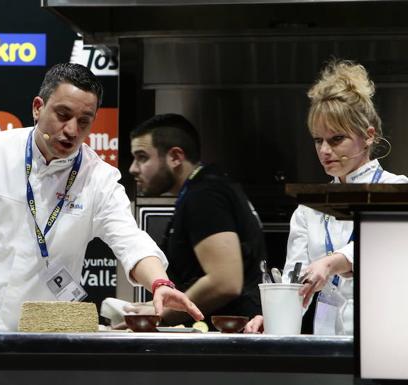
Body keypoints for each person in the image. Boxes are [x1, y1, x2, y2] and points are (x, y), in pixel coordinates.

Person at [0, 63, 202, 332]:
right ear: (37, 108)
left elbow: (130, 240)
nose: (71, 130)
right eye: (62, 114)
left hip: (44, 332)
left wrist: (159, 283)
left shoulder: (99, 178)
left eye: (84, 121)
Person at [245, 59, 408, 335]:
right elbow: (295, 282)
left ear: (368, 136)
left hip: (388, 336)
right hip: (328, 340)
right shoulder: (310, 209)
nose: (324, 151)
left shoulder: (398, 189)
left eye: (336, 139)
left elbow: (383, 247)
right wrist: (272, 315)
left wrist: (330, 263)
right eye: (318, 140)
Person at [127, 113, 265, 329]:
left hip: (227, 343)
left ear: (175, 157)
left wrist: (161, 314)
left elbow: (225, 282)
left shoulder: (205, 195)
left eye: (142, 157)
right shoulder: (210, 187)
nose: (133, 168)